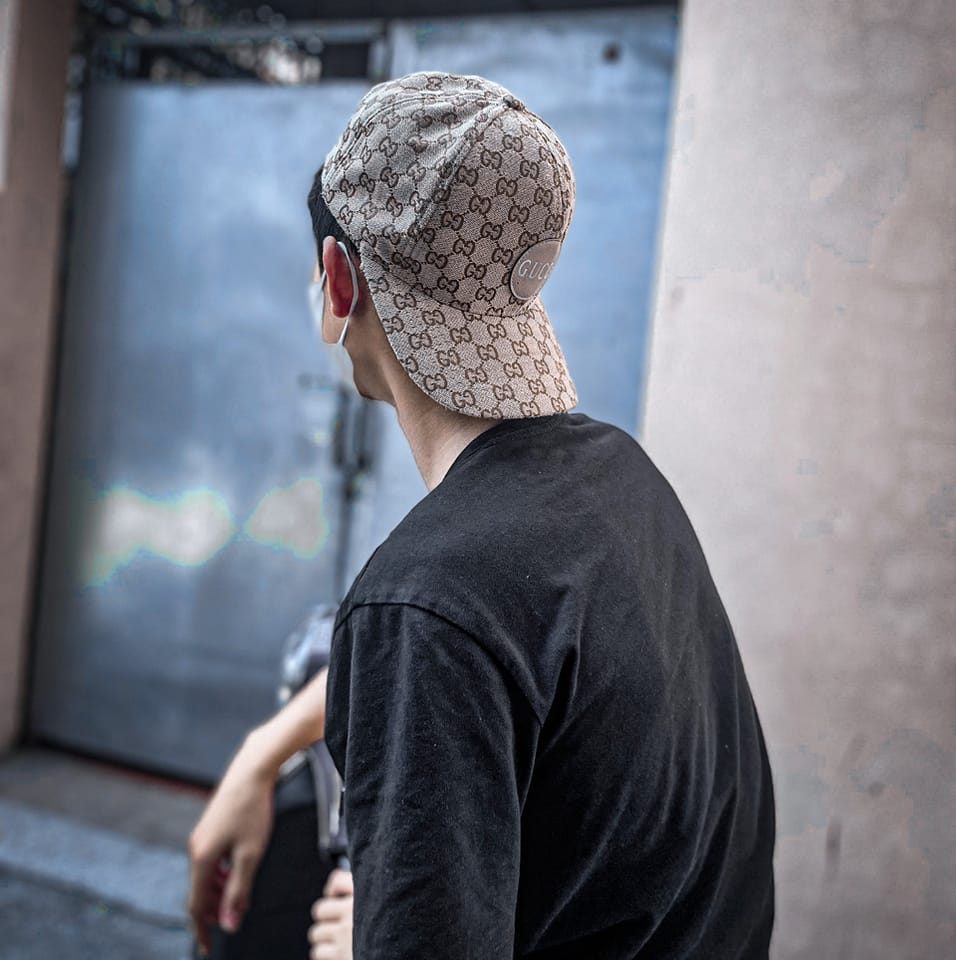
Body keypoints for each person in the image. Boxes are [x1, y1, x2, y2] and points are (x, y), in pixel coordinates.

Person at [197, 68, 777, 959]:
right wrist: (264, 750)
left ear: (338, 280)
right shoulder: (623, 481)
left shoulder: (426, 598)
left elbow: (446, 630)